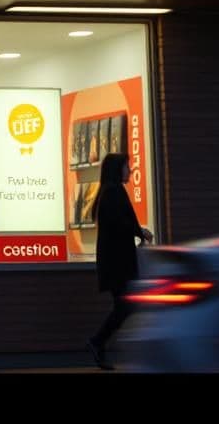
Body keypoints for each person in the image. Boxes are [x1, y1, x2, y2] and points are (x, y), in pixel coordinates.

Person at [87, 152, 153, 371]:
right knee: (126, 305)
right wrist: (139, 231)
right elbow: (119, 223)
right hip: (117, 263)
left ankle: (100, 343)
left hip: (115, 261)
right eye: (127, 166)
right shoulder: (114, 192)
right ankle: (98, 341)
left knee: (124, 305)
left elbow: (118, 223)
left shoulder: (109, 192)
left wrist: (137, 231)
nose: (130, 170)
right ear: (118, 169)